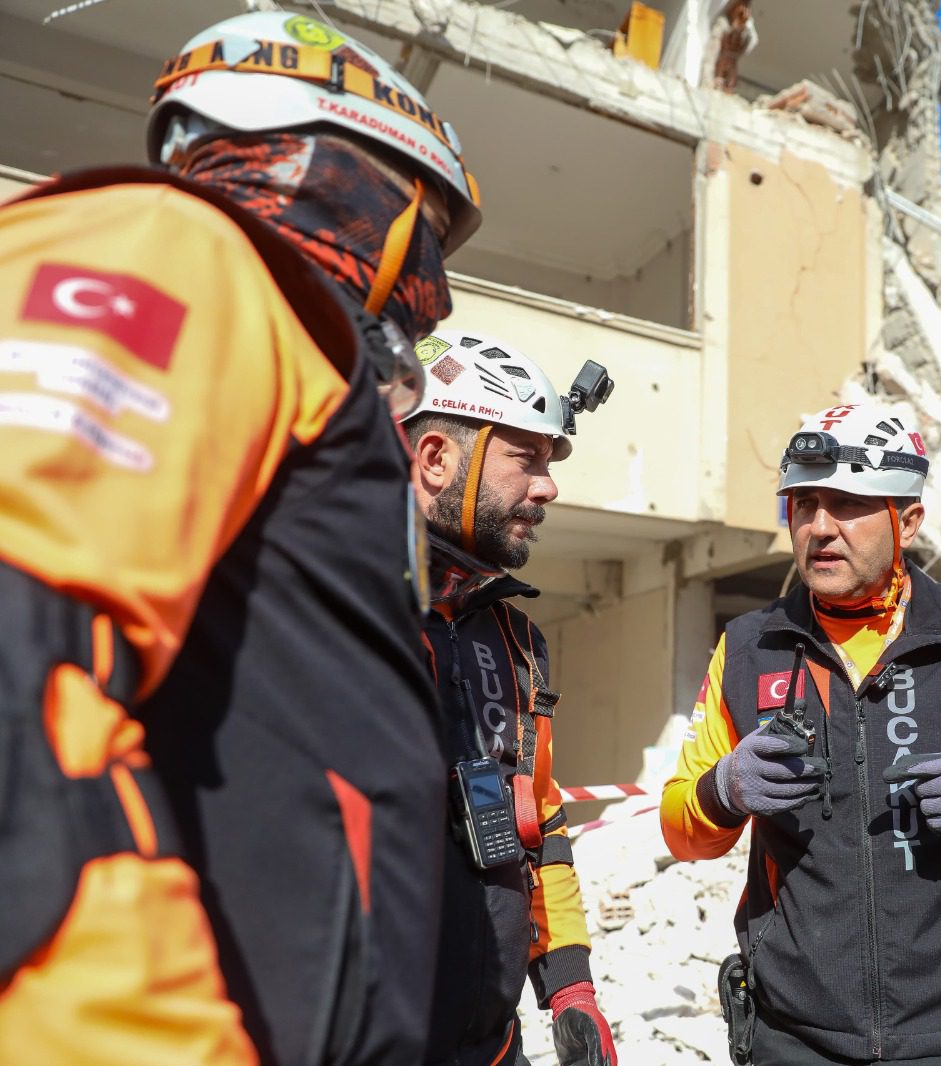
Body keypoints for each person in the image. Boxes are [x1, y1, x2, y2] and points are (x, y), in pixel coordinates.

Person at [0, 11, 481, 1062]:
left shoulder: (250, 308)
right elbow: (18, 652)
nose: (428, 301)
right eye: (425, 238)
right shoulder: (169, 245)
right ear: (347, 172)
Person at [662, 403, 941, 1065]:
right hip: (796, 1039)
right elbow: (683, 834)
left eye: (849, 504)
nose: (820, 528)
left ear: (907, 519)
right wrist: (723, 789)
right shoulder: (747, 648)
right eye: (802, 504)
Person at [403, 329, 618, 1066]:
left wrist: (569, 989)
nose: (548, 485)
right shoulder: (325, 609)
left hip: (490, 1047)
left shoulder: (516, 638)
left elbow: (537, 821)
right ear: (436, 459)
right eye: (526, 458)